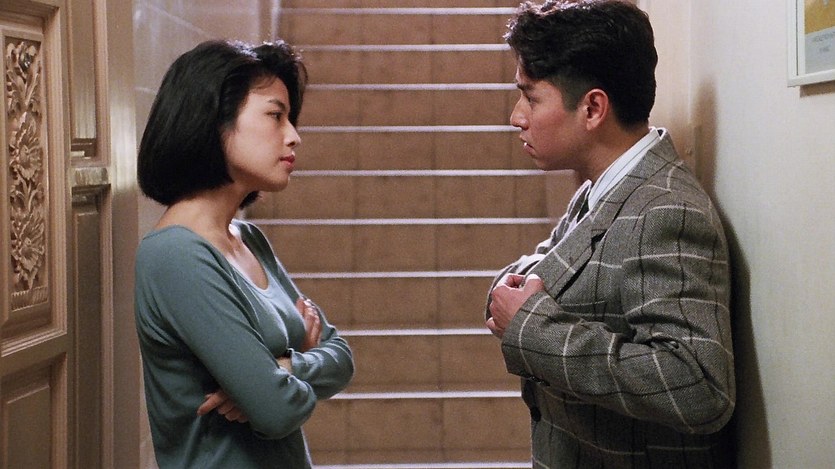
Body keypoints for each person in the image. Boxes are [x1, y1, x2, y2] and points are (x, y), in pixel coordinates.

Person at [485, 1, 735, 467]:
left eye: (531, 98)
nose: (517, 116)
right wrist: (514, 297)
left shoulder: (665, 209)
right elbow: (544, 268)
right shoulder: (604, 187)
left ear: (593, 108)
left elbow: (699, 387)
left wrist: (532, 327)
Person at [134, 39, 354, 468]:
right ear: (214, 120)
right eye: (275, 115)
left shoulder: (248, 238)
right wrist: (282, 377)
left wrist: (284, 368)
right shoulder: (176, 256)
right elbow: (278, 410)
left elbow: (342, 358)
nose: (293, 136)